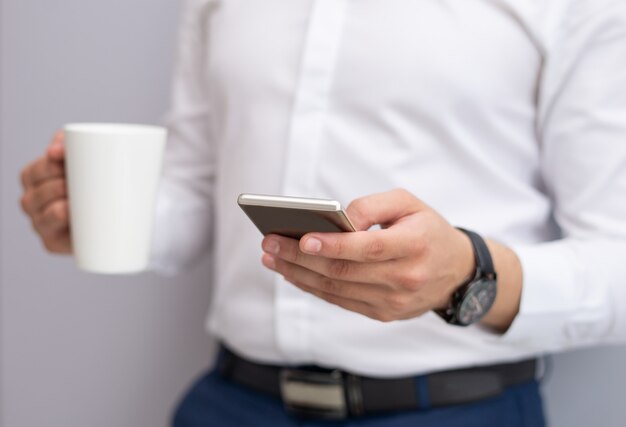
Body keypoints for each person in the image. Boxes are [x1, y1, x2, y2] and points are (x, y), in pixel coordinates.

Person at [19, 0, 626, 426]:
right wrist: (92, 216)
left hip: (452, 413)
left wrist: (469, 275)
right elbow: (197, 191)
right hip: (231, 404)